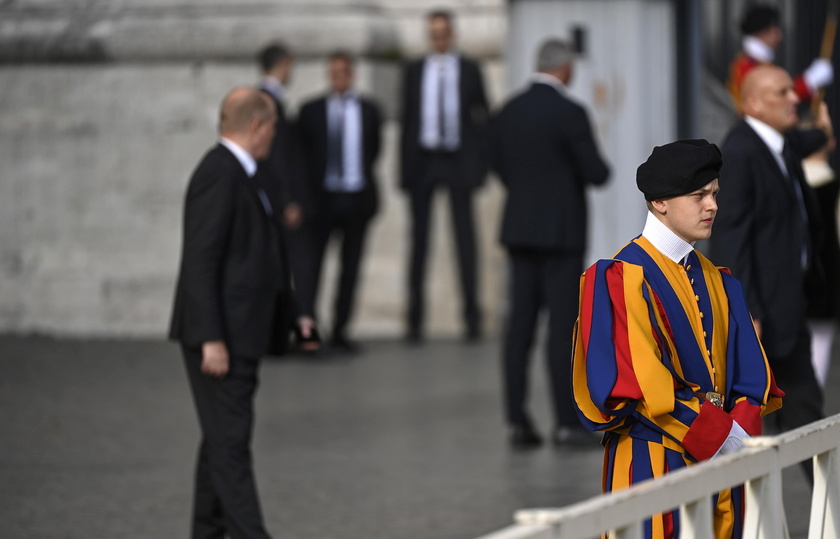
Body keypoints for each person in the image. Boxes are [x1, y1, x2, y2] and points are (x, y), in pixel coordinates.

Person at [572, 139, 783, 538]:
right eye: (698, 195)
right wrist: (724, 437)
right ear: (660, 203)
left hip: (724, 466)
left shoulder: (721, 281)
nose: (713, 206)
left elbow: (750, 376)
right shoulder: (618, 277)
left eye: (715, 194)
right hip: (652, 463)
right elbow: (636, 381)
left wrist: (737, 436)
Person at [169, 87, 292, 538]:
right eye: (274, 125)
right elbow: (200, 260)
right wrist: (211, 338)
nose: (275, 134)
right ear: (257, 126)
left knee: (221, 442)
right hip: (221, 340)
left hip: (242, 335)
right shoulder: (219, 174)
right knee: (230, 447)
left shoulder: (245, 175)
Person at [491, 39, 610, 448]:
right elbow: (597, 173)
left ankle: (515, 420)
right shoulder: (571, 113)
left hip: (520, 231)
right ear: (564, 68)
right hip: (561, 235)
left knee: (519, 328)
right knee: (562, 330)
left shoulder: (508, 111)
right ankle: (566, 422)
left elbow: (500, 167)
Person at [709, 65, 830, 439]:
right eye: (783, 92)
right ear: (755, 104)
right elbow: (731, 240)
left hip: (788, 309)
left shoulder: (778, 144)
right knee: (761, 426)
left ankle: (829, 497)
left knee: (804, 416)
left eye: (793, 90)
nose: (795, 98)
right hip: (765, 319)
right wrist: (749, 314)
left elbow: (812, 140)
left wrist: (824, 128)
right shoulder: (742, 152)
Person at [400, 9, 490, 343]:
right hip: (423, 161)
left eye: (443, 33)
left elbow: (482, 116)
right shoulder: (414, 70)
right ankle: (414, 321)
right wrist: (404, 171)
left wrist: (481, 165)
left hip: (458, 160)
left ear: (451, 34)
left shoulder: (469, 69)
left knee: (465, 240)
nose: (438, 38)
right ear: (429, 35)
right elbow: (408, 119)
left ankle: (472, 318)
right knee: (419, 243)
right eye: (433, 33)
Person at [296, 51, 383, 352]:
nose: (339, 78)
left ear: (352, 74)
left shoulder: (370, 110)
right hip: (321, 200)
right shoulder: (310, 111)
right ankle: (309, 333)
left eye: (344, 72)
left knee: (350, 268)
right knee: (311, 269)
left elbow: (373, 151)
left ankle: (341, 329)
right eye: (334, 73)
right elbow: (304, 158)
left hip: (356, 199)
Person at [256, 42, 319, 351]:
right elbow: (277, 159)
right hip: (285, 205)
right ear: (282, 64)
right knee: (302, 271)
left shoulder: (269, 100)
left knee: (284, 272)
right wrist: (288, 201)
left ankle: (279, 339)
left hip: (277, 204)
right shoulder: (269, 101)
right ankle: (306, 340)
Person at [727, 3, 832, 113]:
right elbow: (773, 98)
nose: (779, 34)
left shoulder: (756, 62)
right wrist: (809, 81)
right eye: (774, 28)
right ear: (762, 31)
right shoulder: (745, 66)